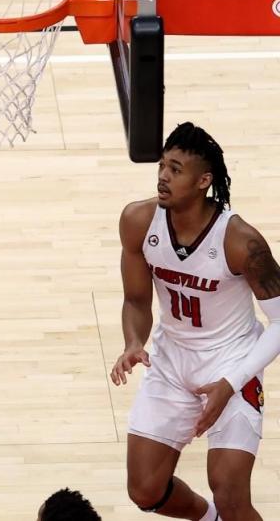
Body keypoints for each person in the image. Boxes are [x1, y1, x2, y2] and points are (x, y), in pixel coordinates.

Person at [112, 122, 280, 521]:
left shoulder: (241, 242)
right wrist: (134, 342)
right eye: (162, 166)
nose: (163, 177)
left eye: (175, 169)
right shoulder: (138, 221)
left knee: (230, 494)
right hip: (172, 363)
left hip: (231, 365)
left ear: (203, 180)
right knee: (144, 490)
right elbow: (136, 300)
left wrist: (231, 382)